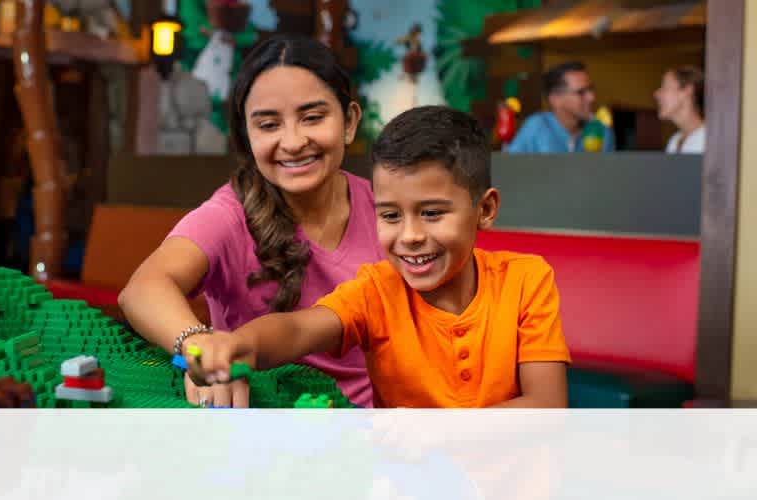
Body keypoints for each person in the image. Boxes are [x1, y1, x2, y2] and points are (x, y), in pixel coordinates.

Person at [184, 106, 570, 408]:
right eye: (390, 215)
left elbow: (547, 406)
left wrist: (432, 433)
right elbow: (299, 329)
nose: (411, 236)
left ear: (484, 210)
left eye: (432, 213)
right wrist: (238, 345)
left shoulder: (526, 280)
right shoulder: (376, 291)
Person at [118, 35, 382, 408]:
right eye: (269, 125)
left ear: (349, 122)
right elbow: (142, 289)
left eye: (312, 118)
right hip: (261, 433)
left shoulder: (387, 208)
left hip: (376, 433)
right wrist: (202, 350)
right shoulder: (227, 215)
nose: (292, 142)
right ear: (246, 134)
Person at [508, 61, 613, 153]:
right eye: (581, 92)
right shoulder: (537, 127)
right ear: (555, 99)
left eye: (591, 89)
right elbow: (509, 170)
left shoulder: (602, 131)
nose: (591, 98)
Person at [654, 65, 705, 154]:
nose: (657, 94)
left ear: (687, 91)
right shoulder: (674, 141)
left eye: (665, 87)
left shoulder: (709, 139)